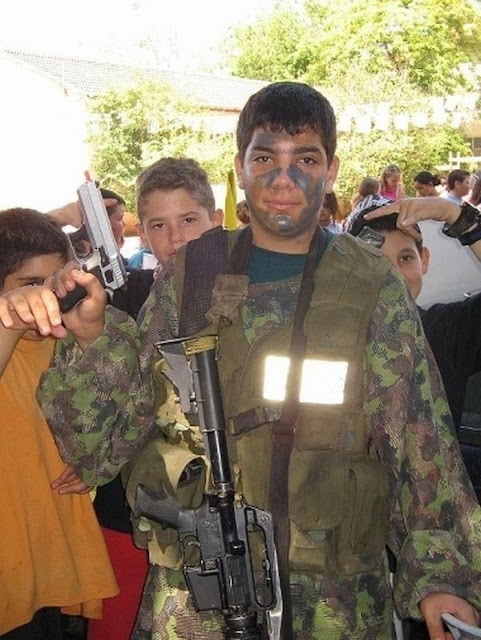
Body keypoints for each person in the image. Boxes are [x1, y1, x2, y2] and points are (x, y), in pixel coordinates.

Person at [2, 82, 481, 639]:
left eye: (306, 159)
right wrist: (90, 340)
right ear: (240, 167)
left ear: (331, 171)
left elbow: (421, 439)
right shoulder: (192, 275)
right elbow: (110, 441)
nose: (284, 179)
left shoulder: (370, 284)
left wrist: (443, 576)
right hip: (199, 595)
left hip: (336, 599)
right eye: (265, 158)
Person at [88, 157, 223, 640]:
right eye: (159, 226)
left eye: (189, 220)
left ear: (216, 221)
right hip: (134, 509)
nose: (176, 238)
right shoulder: (121, 300)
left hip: (222, 513)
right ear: (142, 233)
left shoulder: (251, 301)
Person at [0, 208, 118, 638]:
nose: (46, 296)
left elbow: (114, 415)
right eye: (30, 284)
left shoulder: (65, 337)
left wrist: (95, 461)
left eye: (56, 282)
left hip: (50, 569)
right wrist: (10, 319)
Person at [345, 196, 481, 493]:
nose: (393, 275)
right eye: (376, 261)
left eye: (405, 258)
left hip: (434, 511)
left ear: (424, 260)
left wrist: (455, 215)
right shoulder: (324, 341)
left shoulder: (446, 332)